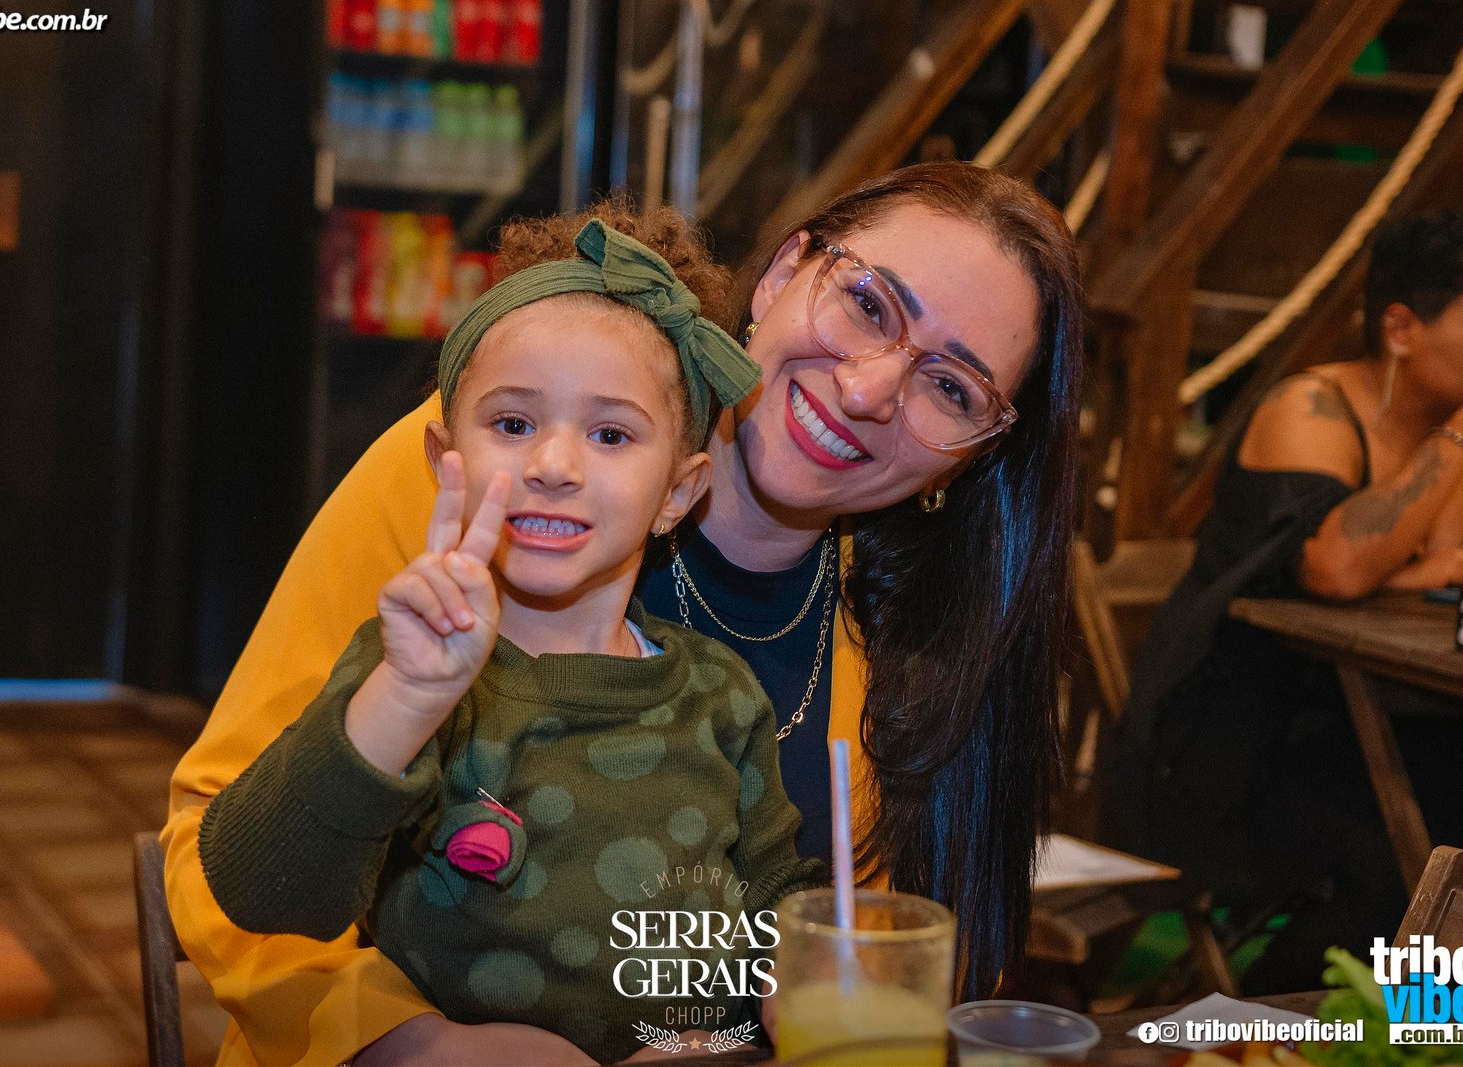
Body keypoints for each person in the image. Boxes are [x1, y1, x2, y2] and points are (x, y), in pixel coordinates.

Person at [164, 164, 1086, 1066]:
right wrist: (408, 1040)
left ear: (974, 456)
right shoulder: (483, 489)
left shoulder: (909, 631)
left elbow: (845, 951)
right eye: (869, 304)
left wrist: (737, 1033)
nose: (869, 388)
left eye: (952, 388)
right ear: (783, 273)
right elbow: (225, 857)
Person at [195, 218, 825, 1064]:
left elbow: (772, 907)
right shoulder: (409, 665)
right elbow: (260, 890)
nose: (554, 464)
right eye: (514, 423)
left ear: (678, 493)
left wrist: (758, 1008)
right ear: (443, 459)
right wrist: (404, 699)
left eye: (611, 434)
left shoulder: (723, 696)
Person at [1109, 210, 1463, 992]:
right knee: (1404, 856)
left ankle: (1426, 1032)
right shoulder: (1310, 410)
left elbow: (1459, 568)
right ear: (1401, 328)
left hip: (1371, 727)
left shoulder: (1460, 438)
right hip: (1226, 751)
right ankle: (1287, 1029)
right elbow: (1341, 569)